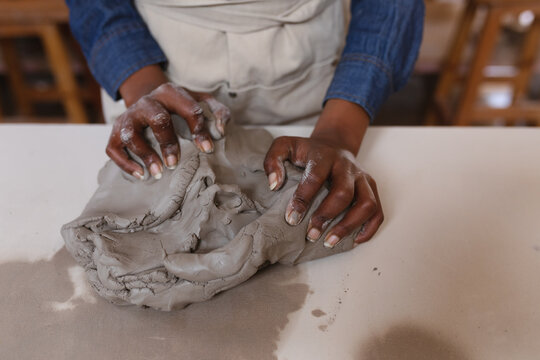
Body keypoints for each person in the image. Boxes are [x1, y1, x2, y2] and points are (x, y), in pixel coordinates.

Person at [66, 0, 424, 249]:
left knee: (306, 206)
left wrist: (338, 132)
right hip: (155, 73)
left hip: (309, 88)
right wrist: (143, 85)